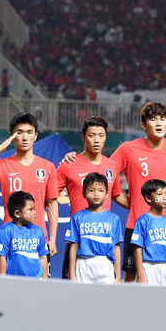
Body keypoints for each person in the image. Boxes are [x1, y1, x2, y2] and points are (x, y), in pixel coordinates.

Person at [60, 101, 166, 282]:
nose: (158, 123)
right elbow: (103, 168)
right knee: (131, 276)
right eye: (153, 119)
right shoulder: (128, 149)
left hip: (165, 224)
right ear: (143, 125)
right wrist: (75, 158)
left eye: (162, 119)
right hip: (136, 224)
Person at [0, 112, 59, 259]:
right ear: (11, 136)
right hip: (10, 238)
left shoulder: (48, 167)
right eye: (19, 133)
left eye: (29, 132)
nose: (25, 137)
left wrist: (52, 239)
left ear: (35, 136)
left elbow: (52, 204)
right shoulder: (3, 165)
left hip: (38, 239)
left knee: (41, 275)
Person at [57, 116, 128, 278]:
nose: (96, 140)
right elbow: (50, 196)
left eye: (101, 135)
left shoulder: (112, 166)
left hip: (105, 240)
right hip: (78, 239)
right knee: (71, 288)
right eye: (92, 135)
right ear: (83, 137)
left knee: (107, 289)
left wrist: (143, 206)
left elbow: (117, 195)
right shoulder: (68, 164)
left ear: (105, 137)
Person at [66, 173, 123, 283]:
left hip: (105, 265)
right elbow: (73, 246)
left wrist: (118, 276)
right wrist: (72, 275)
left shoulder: (114, 219)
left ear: (107, 194)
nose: (96, 194)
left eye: (101, 190)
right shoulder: (77, 217)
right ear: (84, 194)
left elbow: (116, 248)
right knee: (83, 294)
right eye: (91, 190)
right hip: (83, 265)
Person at [131, 179, 166, 285]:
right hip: (149, 268)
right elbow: (137, 250)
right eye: (160, 194)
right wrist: (140, 276)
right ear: (148, 198)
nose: (165, 197)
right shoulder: (142, 221)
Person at [0, 191, 48, 278]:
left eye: (34, 209)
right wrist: (2, 282)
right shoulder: (5, 231)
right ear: (17, 213)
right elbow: (1, 258)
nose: (34, 212)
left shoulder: (38, 231)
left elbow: (43, 257)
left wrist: (44, 281)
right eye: (30, 209)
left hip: (36, 281)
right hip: (13, 281)